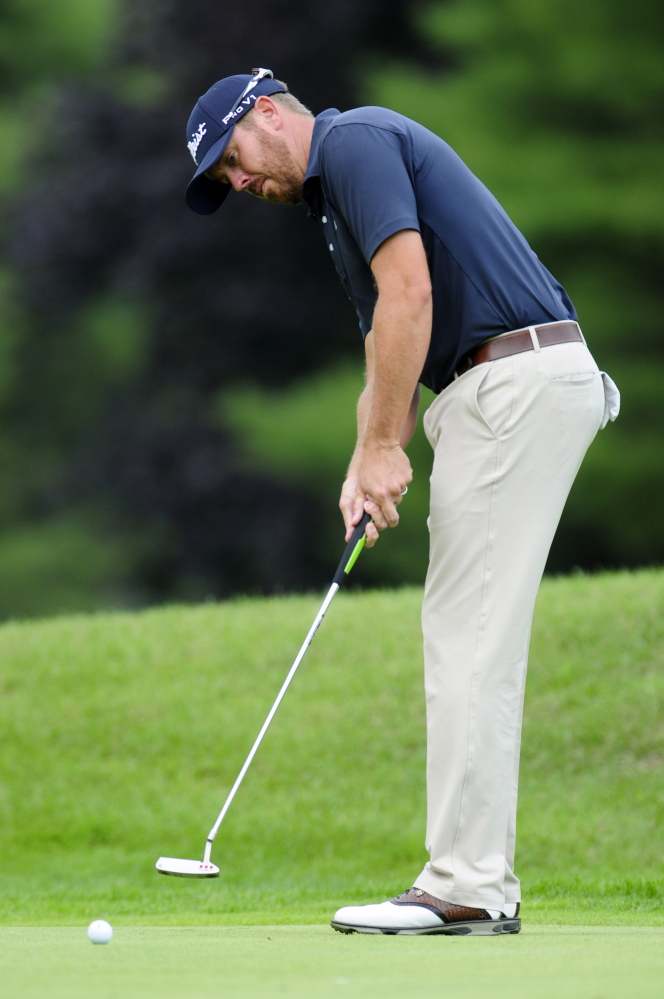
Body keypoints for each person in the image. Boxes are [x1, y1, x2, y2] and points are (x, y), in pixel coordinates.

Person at [184, 68, 619, 936]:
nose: (239, 184)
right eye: (224, 182)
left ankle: (466, 883)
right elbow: (393, 340)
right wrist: (365, 453)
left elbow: (410, 293)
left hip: (509, 382)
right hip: (499, 385)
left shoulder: (355, 143)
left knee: (469, 637)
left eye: (231, 160)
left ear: (267, 114)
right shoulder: (338, 196)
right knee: (466, 630)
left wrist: (386, 445)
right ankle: (474, 878)